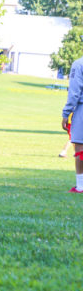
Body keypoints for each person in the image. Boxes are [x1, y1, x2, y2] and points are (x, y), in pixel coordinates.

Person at [62, 56, 83, 193]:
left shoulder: (79, 64)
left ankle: (80, 186)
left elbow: (75, 92)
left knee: (80, 147)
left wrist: (66, 113)